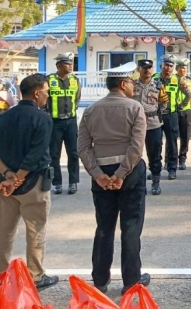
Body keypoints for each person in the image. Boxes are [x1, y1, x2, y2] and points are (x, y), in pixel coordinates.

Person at [77, 62, 149, 295]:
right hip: (129, 173)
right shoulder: (135, 108)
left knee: (104, 228)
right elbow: (136, 146)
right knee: (130, 227)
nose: (133, 87)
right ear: (122, 83)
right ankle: (131, 281)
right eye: (130, 82)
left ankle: (99, 280)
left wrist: (98, 175)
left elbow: (84, 147)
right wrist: (120, 174)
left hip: (101, 173)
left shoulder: (91, 110)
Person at [0, 74, 58, 291]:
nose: (47, 95)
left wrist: (8, 175)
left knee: (4, 232)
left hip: (5, 185)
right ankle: (35, 277)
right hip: (33, 183)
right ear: (36, 93)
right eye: (46, 91)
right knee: (35, 230)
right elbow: (35, 155)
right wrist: (18, 179)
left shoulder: (4, 117)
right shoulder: (42, 118)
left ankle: (2, 276)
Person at [46, 52, 82, 195]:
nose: (70, 66)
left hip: (71, 121)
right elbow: (45, 99)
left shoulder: (75, 80)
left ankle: (73, 182)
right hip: (54, 122)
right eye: (67, 64)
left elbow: (77, 99)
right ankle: (57, 183)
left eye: (71, 63)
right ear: (59, 65)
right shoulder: (49, 80)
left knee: (73, 153)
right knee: (54, 154)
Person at [132, 59, 168, 195]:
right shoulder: (132, 84)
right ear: (139, 69)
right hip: (135, 125)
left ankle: (155, 181)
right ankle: (137, 183)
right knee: (134, 154)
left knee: (155, 154)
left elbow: (164, 104)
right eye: (144, 68)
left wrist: (154, 113)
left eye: (149, 68)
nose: (147, 70)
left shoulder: (158, 86)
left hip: (153, 124)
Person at [154, 54, 191, 180]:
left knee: (172, 143)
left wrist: (181, 106)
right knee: (156, 143)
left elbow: (188, 94)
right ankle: (156, 170)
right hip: (156, 115)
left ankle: (172, 169)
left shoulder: (177, 79)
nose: (168, 68)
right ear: (162, 65)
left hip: (171, 115)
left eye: (171, 66)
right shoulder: (154, 79)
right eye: (166, 65)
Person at [175, 58, 191, 171]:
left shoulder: (190, 81)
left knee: (185, 136)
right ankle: (170, 160)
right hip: (173, 111)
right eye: (181, 68)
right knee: (172, 138)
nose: (183, 70)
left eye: (185, 68)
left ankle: (182, 159)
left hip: (186, 111)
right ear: (176, 69)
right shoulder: (172, 79)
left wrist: (187, 105)